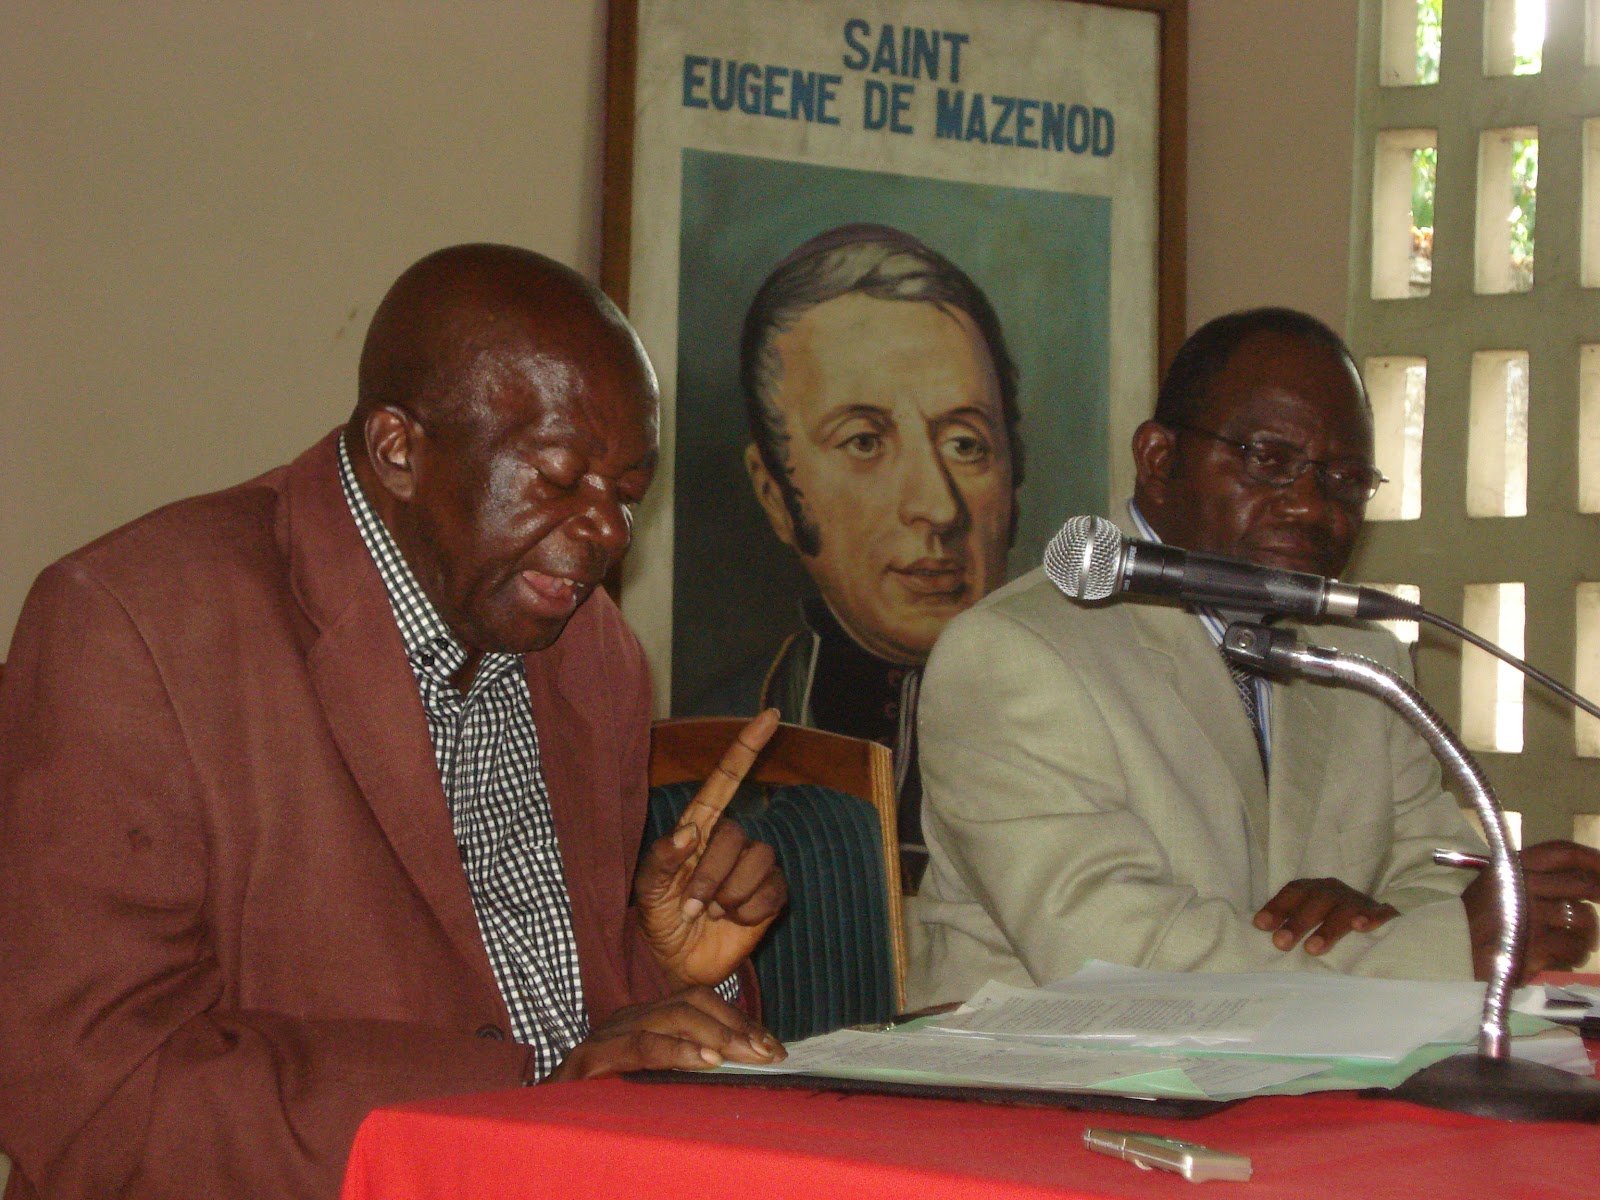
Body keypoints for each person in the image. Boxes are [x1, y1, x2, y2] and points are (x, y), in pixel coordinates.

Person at [0, 245, 791, 1199]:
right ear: (399, 450)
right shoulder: (133, 628)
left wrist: (661, 972)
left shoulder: (595, 659)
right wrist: (518, 1097)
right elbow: (95, 1098)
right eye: (559, 474)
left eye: (627, 492)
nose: (612, 533)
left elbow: (565, 1030)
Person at [908, 307, 1600, 1007]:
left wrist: (1361, 916)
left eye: (1346, 480)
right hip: (1045, 1081)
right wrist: (1434, 946)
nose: (1309, 506)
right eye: (1269, 462)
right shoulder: (1014, 654)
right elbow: (1119, 964)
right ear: (1158, 459)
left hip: (1310, 1070)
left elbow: (1440, 869)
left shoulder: (1363, 655)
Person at [733, 223, 1024, 891]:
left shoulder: (1094, 727)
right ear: (776, 492)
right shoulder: (718, 732)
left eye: (966, 445)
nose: (940, 508)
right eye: (865, 441)